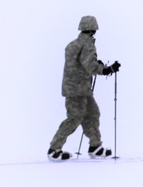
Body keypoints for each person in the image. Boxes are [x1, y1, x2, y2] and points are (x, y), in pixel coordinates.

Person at [48, 15, 121, 161]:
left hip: (78, 88)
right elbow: (89, 65)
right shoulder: (87, 44)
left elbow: (80, 63)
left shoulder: (73, 44)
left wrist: (97, 64)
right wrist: (107, 69)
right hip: (77, 89)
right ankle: (54, 149)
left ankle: (95, 146)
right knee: (74, 118)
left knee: (92, 114)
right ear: (94, 29)